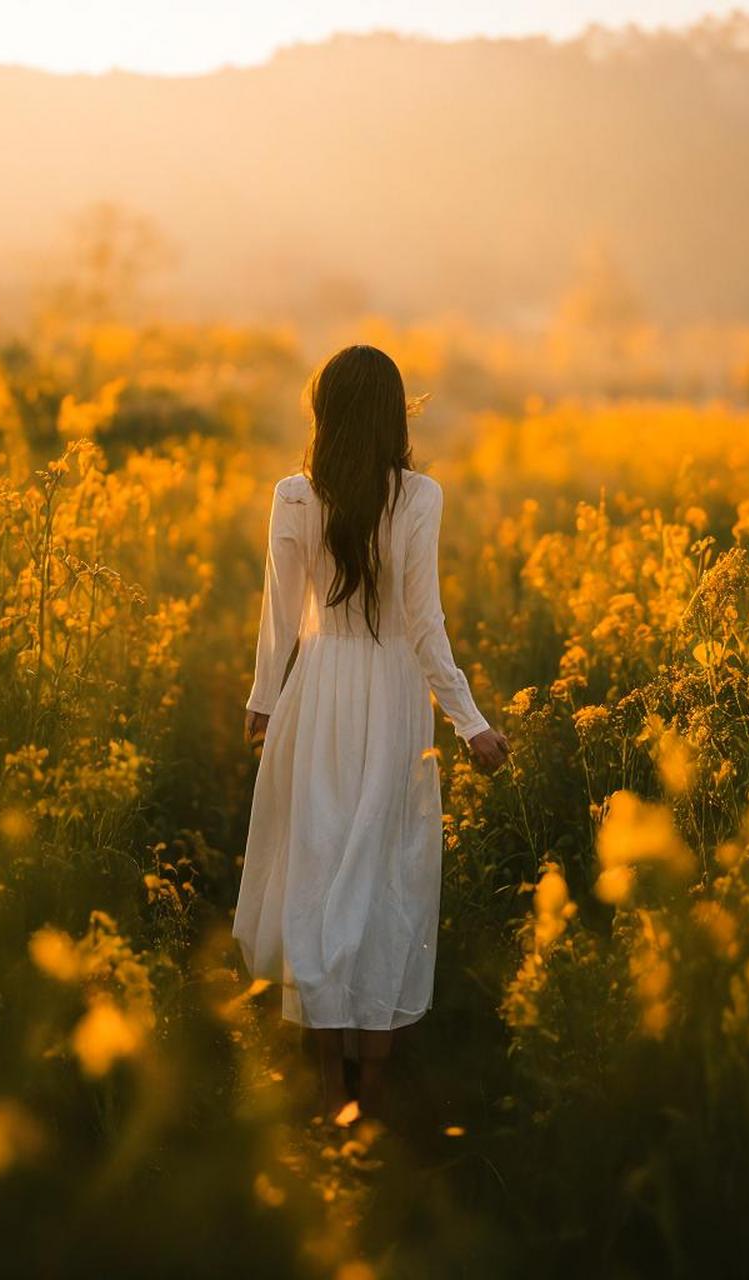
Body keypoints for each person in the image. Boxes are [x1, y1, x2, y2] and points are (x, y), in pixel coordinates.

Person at [231, 344, 510, 1125]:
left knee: (320, 878)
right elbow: (425, 626)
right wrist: (471, 723)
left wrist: (262, 698)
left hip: (315, 695)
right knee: (385, 882)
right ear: (394, 416)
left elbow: (279, 615)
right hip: (391, 699)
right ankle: (374, 1096)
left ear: (324, 413)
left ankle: (330, 1091)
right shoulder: (419, 496)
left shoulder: (294, 494)